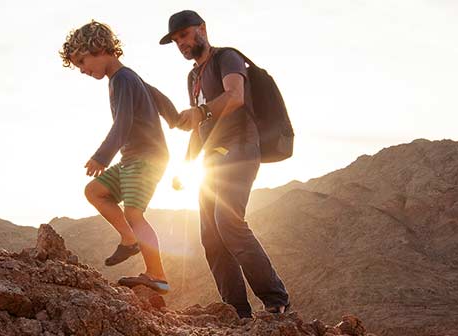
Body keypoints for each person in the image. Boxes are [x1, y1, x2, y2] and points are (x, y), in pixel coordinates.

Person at [160, 10, 291, 317]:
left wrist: (202, 112)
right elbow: (199, 126)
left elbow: (235, 96)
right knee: (211, 236)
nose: (181, 43)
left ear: (201, 29)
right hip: (212, 160)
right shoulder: (193, 77)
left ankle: (276, 301)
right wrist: (186, 165)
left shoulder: (226, 58)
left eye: (184, 35)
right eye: (176, 39)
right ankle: (236, 313)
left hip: (242, 147)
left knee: (228, 222)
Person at [59, 20, 174, 294]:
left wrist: (102, 156)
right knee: (95, 191)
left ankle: (157, 275)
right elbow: (158, 97)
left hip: (146, 157)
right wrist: (177, 119)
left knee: (134, 212)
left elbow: (122, 122)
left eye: (83, 62)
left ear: (99, 48)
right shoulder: (127, 77)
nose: (83, 70)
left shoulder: (123, 78)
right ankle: (129, 238)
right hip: (133, 157)